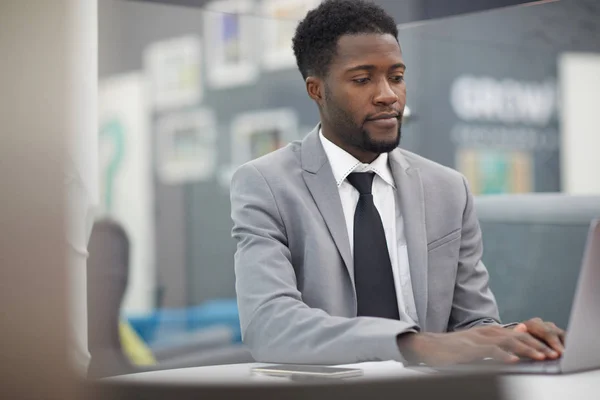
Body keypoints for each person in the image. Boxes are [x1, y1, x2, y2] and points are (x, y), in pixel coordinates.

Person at [230, 0, 565, 366]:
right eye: (362, 79)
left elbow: (472, 323)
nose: (388, 94)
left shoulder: (448, 189)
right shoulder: (266, 184)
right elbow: (270, 325)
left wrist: (512, 337)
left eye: (397, 76)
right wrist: (411, 344)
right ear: (317, 90)